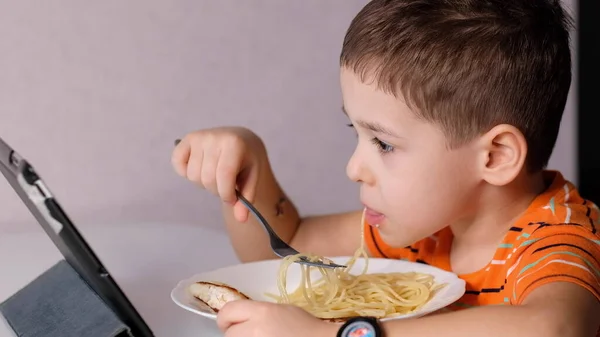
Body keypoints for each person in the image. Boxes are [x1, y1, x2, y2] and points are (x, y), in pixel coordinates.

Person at [171, 0, 600, 336]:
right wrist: (250, 168)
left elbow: (555, 327)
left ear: (495, 157)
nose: (354, 168)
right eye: (354, 133)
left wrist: (341, 333)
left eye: (384, 143)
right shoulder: (425, 227)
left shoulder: (556, 239)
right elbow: (289, 247)